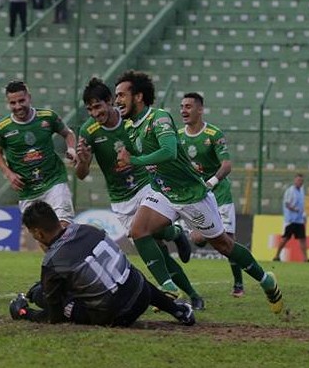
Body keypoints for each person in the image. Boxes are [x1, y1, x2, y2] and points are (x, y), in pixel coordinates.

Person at [114, 70, 284, 314]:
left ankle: (266, 280)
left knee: (224, 245)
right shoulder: (131, 128)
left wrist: (135, 161)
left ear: (138, 96)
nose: (117, 100)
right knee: (138, 231)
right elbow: (138, 156)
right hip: (163, 191)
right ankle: (169, 286)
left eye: (121, 95)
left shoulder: (159, 118)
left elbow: (169, 152)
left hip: (191, 194)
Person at [74, 78, 204, 310]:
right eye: (90, 109)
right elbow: (81, 174)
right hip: (120, 197)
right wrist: (82, 161)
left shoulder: (129, 122)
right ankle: (177, 240)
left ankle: (185, 291)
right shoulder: (88, 131)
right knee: (159, 250)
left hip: (145, 186)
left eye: (98, 106)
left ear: (110, 102)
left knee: (146, 234)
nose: (95, 113)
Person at [8, 200, 196, 327]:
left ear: (38, 233)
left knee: (42, 295)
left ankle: (27, 305)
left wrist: (24, 313)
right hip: (142, 293)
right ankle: (179, 311)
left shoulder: (52, 262)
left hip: (119, 316)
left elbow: (54, 317)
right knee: (130, 274)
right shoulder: (89, 229)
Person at [178, 92, 245, 298]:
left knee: (228, 244)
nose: (183, 111)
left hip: (219, 193)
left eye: (188, 106)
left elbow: (227, 165)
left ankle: (239, 283)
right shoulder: (177, 136)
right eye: (182, 107)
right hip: (195, 195)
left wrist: (211, 182)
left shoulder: (214, 134)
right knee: (198, 240)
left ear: (200, 109)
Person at [0, 80, 77, 227]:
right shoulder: (2, 128)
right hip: (28, 190)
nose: (18, 106)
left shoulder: (48, 117)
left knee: (63, 226)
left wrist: (71, 149)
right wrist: (9, 174)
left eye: (21, 100)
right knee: (42, 236)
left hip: (54, 181)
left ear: (29, 97)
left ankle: (70, 249)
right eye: (13, 103)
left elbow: (68, 134)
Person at [272, 173, 309, 262]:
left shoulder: (302, 191)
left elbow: (302, 205)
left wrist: (303, 214)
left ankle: (305, 258)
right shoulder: (290, 191)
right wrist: (295, 209)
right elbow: (287, 203)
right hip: (291, 220)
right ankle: (277, 255)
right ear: (295, 181)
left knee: (302, 239)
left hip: (299, 220)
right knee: (285, 238)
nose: (300, 182)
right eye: (298, 180)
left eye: (301, 181)